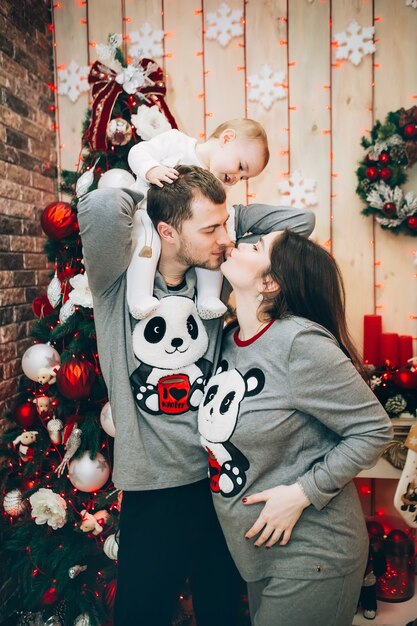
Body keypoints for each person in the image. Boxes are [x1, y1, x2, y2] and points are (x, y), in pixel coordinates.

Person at [77, 166, 315, 626]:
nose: (225, 239)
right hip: (155, 485)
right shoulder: (117, 277)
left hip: (221, 480)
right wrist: (151, 194)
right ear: (165, 231)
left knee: (223, 610)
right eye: (210, 229)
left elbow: (300, 221)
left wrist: (224, 215)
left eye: (225, 226)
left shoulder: (214, 276)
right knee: (141, 613)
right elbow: (99, 205)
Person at [197, 229, 393, 626]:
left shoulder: (299, 343)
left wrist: (303, 492)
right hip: (260, 553)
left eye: (257, 247)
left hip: (316, 554)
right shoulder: (229, 339)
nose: (237, 242)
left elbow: (374, 429)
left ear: (270, 282)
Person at [126, 119, 269, 320]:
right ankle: (139, 296)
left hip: (179, 233)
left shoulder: (217, 185)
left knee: (212, 248)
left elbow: (222, 218)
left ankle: (208, 297)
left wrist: (227, 239)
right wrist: (151, 169)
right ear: (227, 139)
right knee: (147, 243)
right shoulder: (177, 143)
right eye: (240, 166)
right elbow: (138, 152)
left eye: (244, 177)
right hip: (147, 214)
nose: (237, 178)